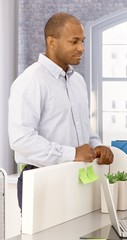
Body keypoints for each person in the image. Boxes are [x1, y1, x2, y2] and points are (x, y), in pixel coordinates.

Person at [8, 12, 114, 210]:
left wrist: (97, 146)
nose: (81, 48)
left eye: (82, 41)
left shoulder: (78, 81)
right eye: (74, 42)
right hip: (43, 181)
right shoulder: (31, 81)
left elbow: (83, 128)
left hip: (78, 180)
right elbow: (21, 140)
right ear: (52, 42)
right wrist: (72, 153)